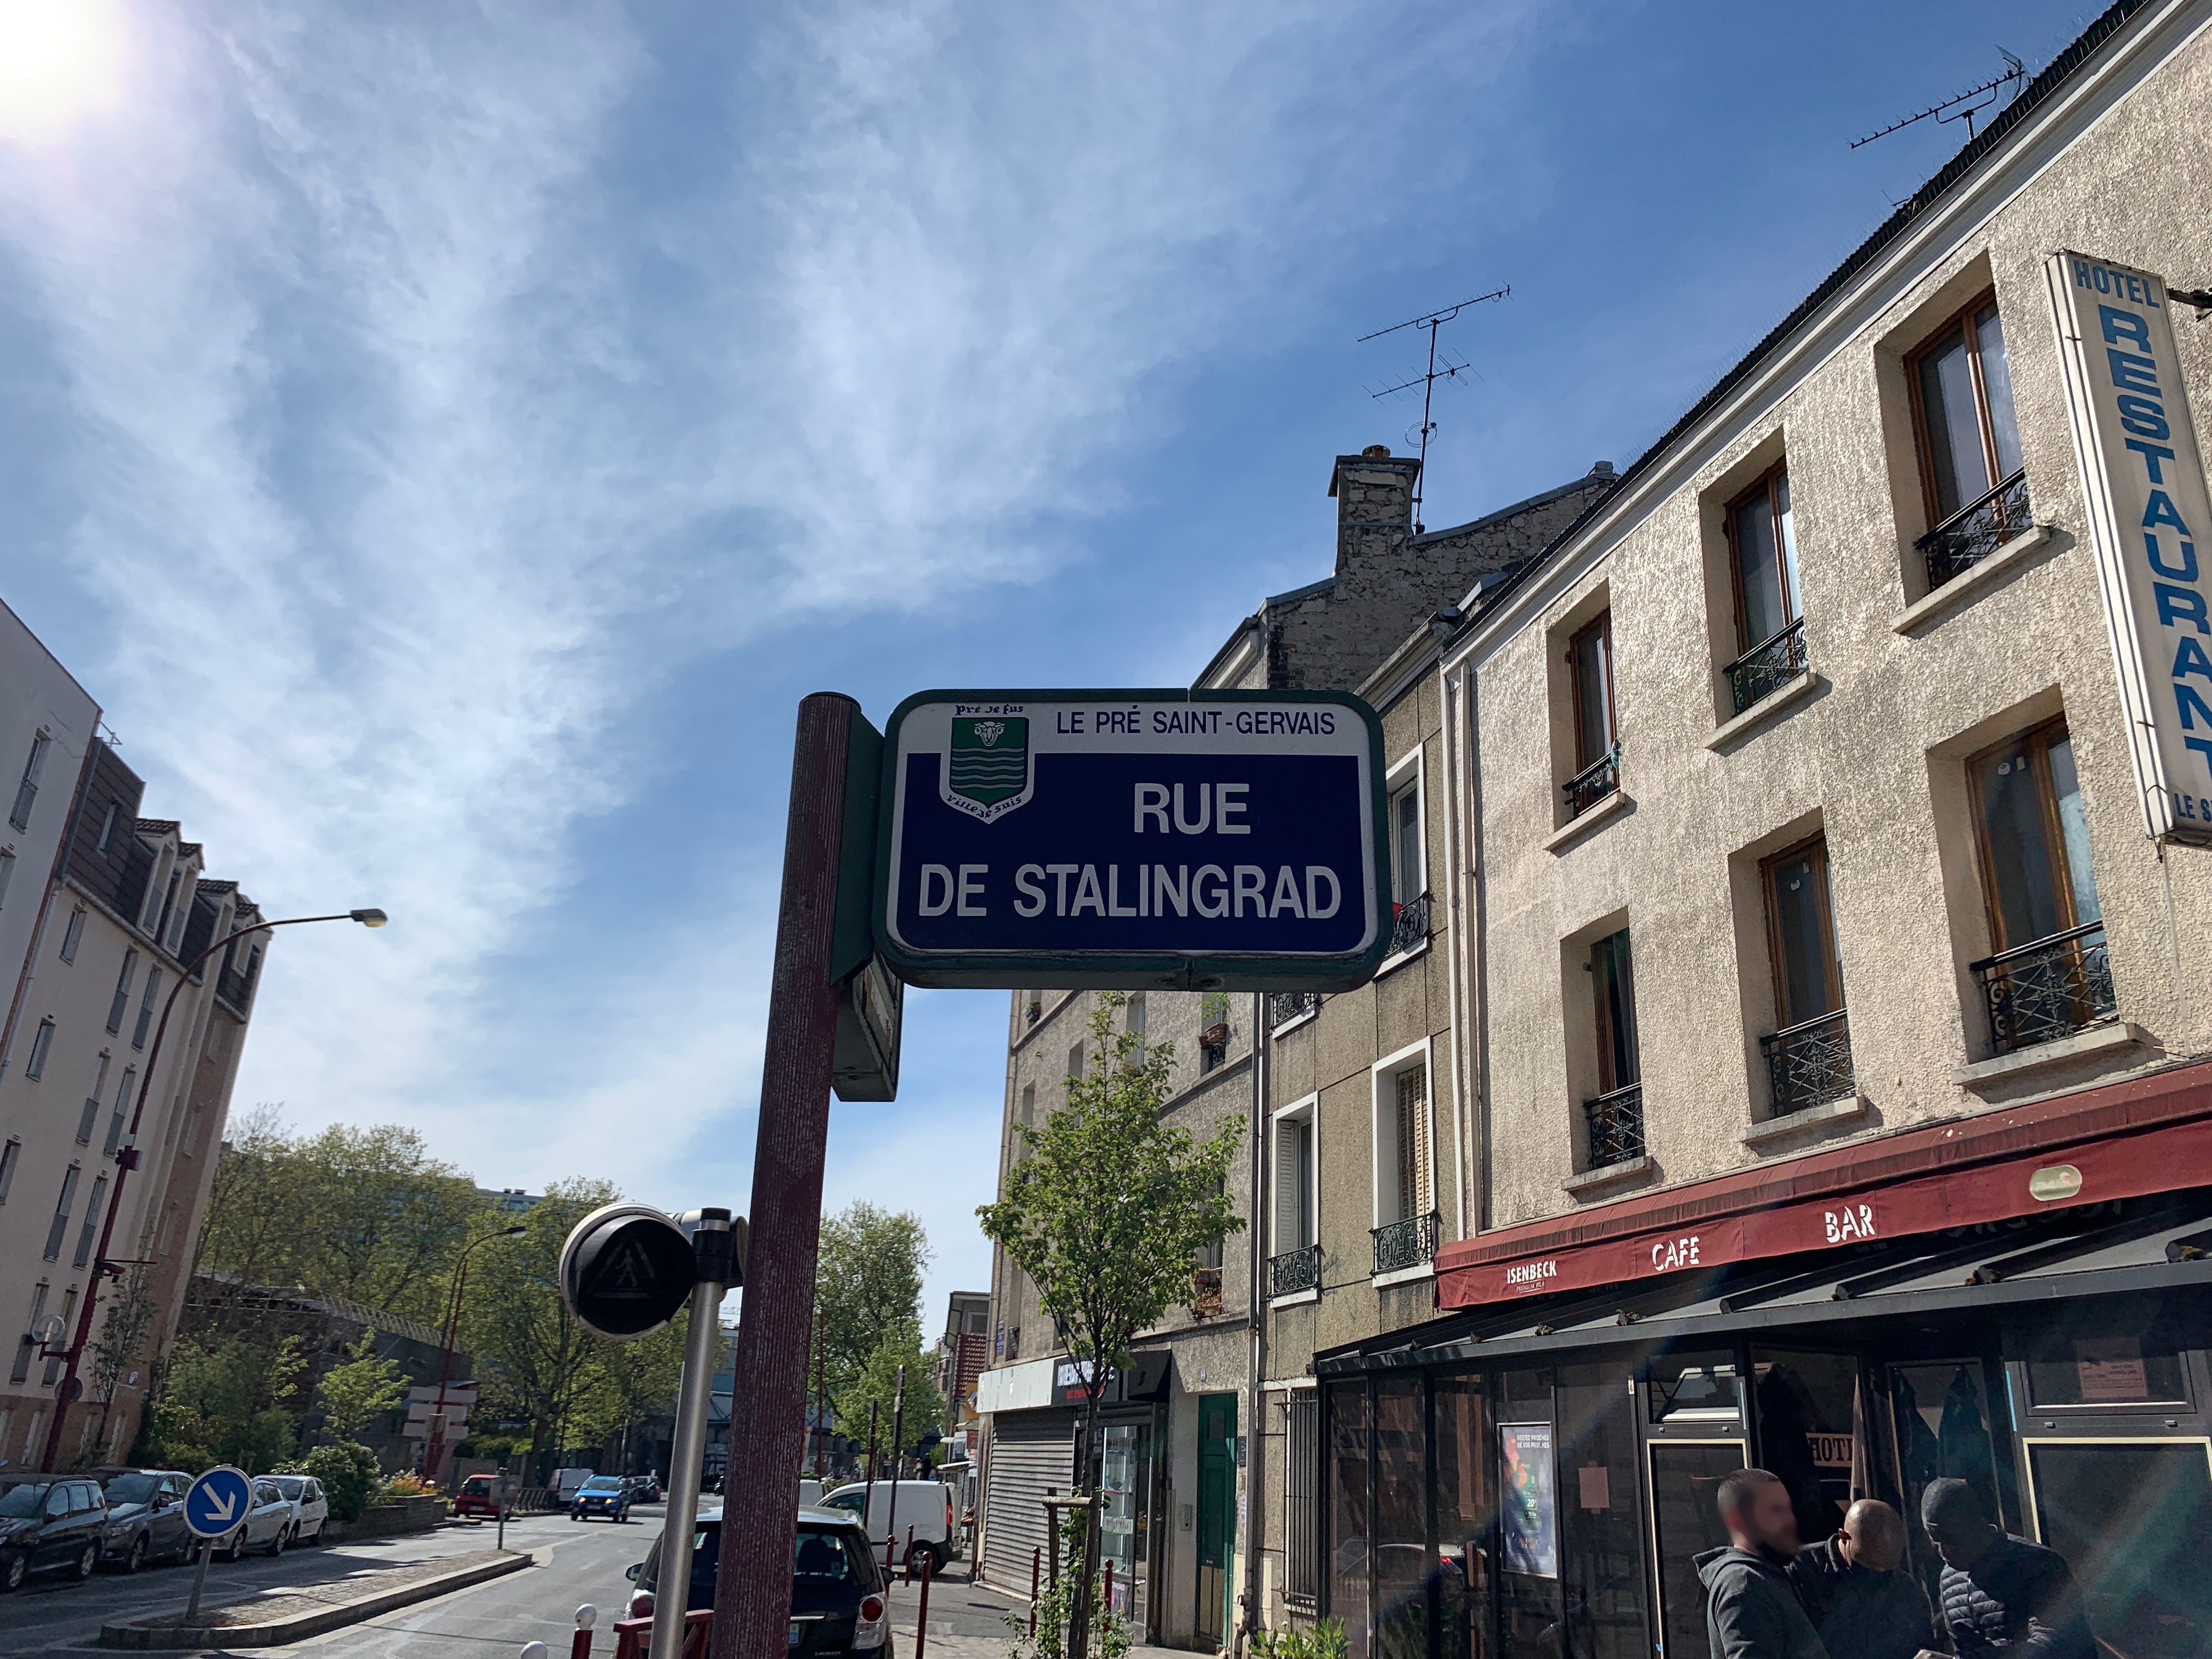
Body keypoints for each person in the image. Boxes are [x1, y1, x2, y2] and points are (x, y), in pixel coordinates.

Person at [1920, 1479, 2092, 1659]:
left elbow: (2057, 1647)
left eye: (1953, 1538)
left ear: (1979, 1523)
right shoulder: (1950, 1580)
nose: (1944, 1550)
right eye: (1935, 1539)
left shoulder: (2039, 1565)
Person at [1697, 1468, 1830, 1659]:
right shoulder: (1744, 1586)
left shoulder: (1767, 1575)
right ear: (1740, 1522)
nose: (1790, 1521)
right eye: (1775, 1511)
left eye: (1788, 1509)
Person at [1788, 1498, 1943, 1659]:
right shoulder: (1801, 1571)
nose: (1879, 1575)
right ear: (1844, 1537)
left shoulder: (1907, 1592)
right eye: (1871, 1567)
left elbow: (1923, 1647)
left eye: (1888, 1570)